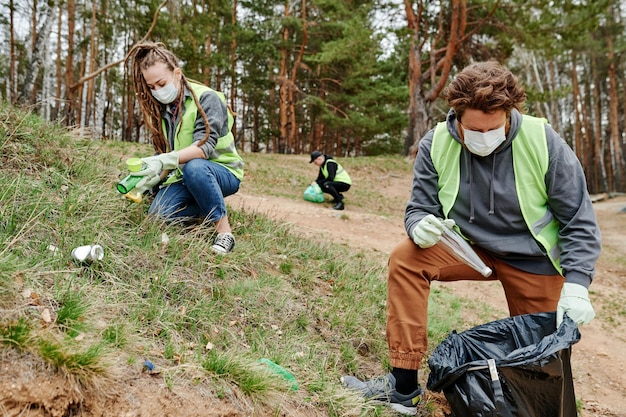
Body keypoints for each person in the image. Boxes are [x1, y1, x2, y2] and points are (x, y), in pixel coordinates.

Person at [341, 61, 601, 414]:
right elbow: (418, 207)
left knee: (543, 357)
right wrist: (418, 226)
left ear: (509, 113)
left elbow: (578, 219)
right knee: (406, 258)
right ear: (457, 114)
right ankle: (402, 389)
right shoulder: (436, 144)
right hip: (469, 249)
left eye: (493, 128)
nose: (483, 138)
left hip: (533, 258)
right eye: (473, 129)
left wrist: (577, 282)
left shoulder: (543, 140)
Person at [124, 42, 244, 254]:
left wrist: (164, 159)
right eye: (151, 87)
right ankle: (207, 206)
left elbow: (202, 149)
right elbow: (169, 153)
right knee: (158, 215)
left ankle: (224, 233)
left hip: (220, 171)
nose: (157, 91)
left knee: (195, 167)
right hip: (184, 175)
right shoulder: (164, 110)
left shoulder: (207, 99)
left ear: (177, 74)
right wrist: (151, 178)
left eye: (161, 83)